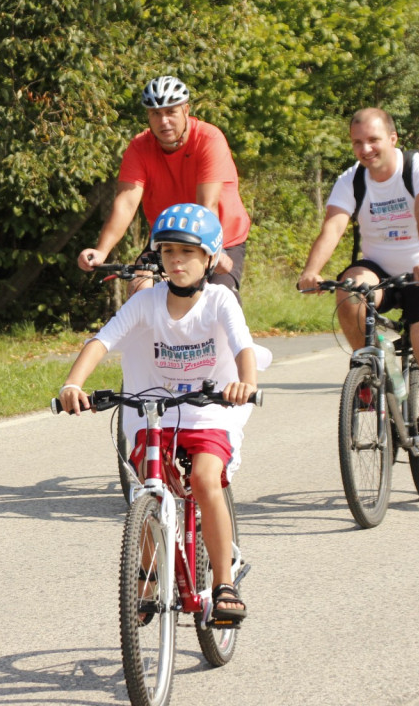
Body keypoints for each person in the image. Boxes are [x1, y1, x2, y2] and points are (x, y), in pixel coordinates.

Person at [61, 204, 259, 621]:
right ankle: (149, 577)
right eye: (168, 252)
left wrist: (246, 383)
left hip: (208, 411)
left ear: (208, 258)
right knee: (150, 491)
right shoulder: (147, 301)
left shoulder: (219, 299)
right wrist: (72, 384)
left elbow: (243, 345)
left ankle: (223, 582)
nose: (176, 261)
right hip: (155, 413)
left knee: (205, 479)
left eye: (187, 252)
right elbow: (102, 340)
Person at [297, 108, 419, 484]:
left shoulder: (418, 166)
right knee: (348, 291)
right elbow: (334, 226)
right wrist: (311, 271)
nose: (365, 149)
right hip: (379, 267)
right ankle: (371, 373)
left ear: (392, 138)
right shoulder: (352, 179)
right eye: (357, 142)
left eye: (372, 140)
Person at [77, 75, 252, 299]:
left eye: (171, 112)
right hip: (169, 236)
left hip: (219, 236)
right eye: (156, 114)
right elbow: (126, 203)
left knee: (219, 298)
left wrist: (214, 253)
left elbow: (207, 204)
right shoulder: (140, 147)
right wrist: (102, 250)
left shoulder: (209, 139)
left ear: (186, 110)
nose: (164, 121)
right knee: (140, 289)